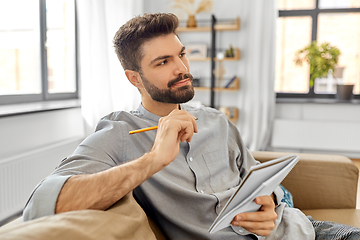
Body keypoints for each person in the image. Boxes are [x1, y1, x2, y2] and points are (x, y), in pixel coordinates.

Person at [20, 13, 357, 240]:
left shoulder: (217, 120)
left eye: (181, 54)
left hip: (298, 230)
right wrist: (154, 159)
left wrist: (269, 201)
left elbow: (256, 181)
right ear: (133, 78)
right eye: (163, 62)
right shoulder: (119, 133)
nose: (182, 68)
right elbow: (40, 206)